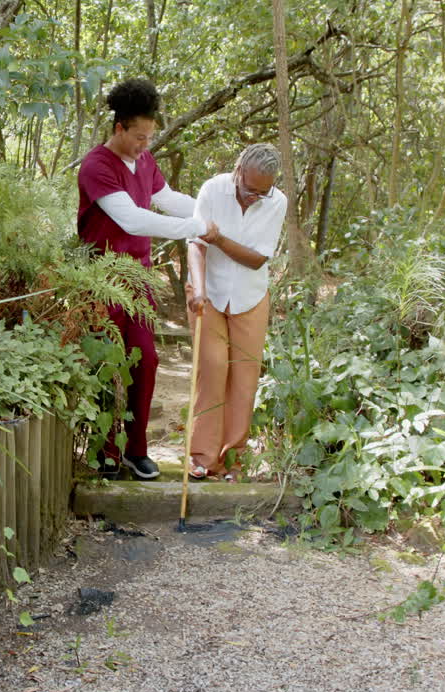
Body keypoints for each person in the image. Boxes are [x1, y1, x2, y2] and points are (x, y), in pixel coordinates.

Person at [78, 78, 219, 480]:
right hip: (101, 276)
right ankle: (104, 449)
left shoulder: (145, 161)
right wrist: (193, 227)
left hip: (137, 277)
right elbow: (131, 217)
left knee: (146, 360)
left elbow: (168, 198)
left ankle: (134, 449)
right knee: (106, 362)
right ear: (119, 128)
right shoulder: (96, 166)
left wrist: (210, 214)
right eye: (139, 137)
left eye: (150, 137)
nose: (145, 144)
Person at [184, 143, 287, 481]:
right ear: (239, 169)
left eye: (263, 192)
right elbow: (196, 244)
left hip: (250, 297)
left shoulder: (277, 202)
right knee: (212, 370)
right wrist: (198, 289)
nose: (254, 197)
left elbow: (258, 258)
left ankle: (233, 462)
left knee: (244, 379)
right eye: (249, 189)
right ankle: (202, 457)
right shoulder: (213, 189)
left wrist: (219, 239)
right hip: (208, 292)